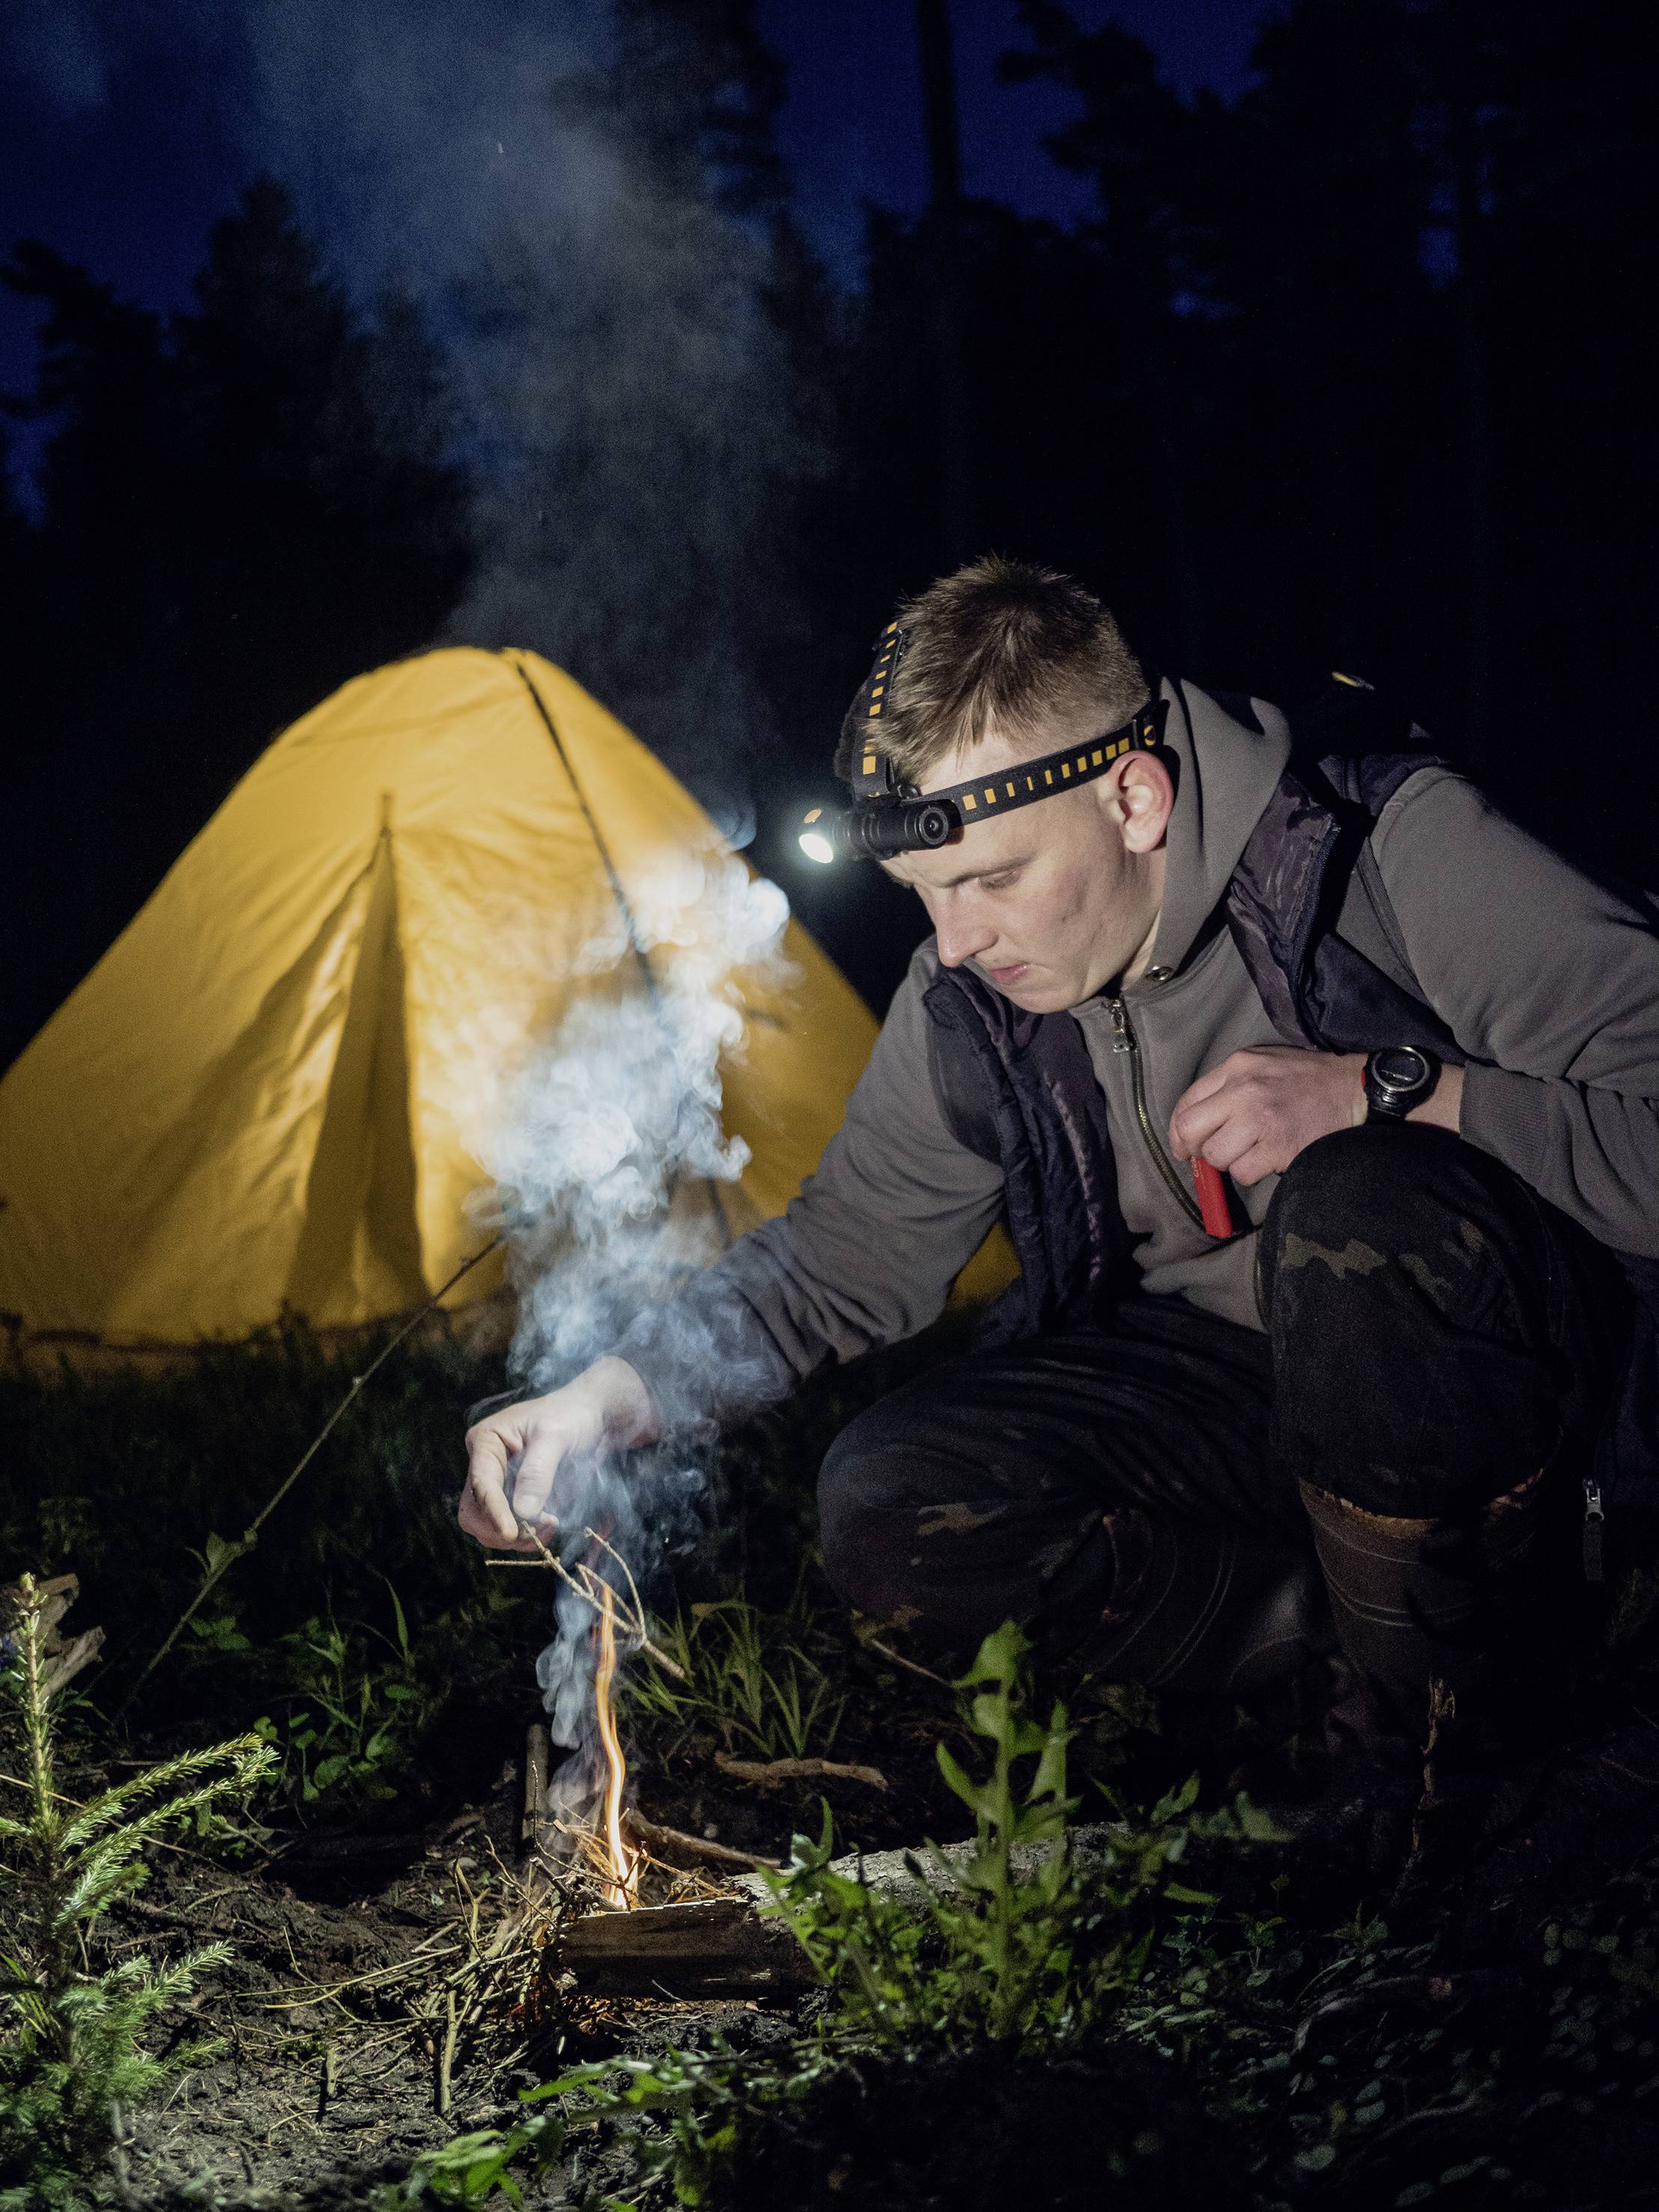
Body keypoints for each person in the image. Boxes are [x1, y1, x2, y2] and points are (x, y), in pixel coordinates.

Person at [461, 556, 1658, 1801]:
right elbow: (840, 1256)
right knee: (888, 1497)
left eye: (993, 879)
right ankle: (1339, 1662)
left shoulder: (1389, 849)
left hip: (1494, 1382)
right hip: (1242, 1385)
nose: (957, 941)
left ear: (1134, 797)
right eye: (924, 896)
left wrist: (1391, 1090)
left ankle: (1453, 1731)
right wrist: (610, 1393)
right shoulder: (974, 996)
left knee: (1351, 1205)